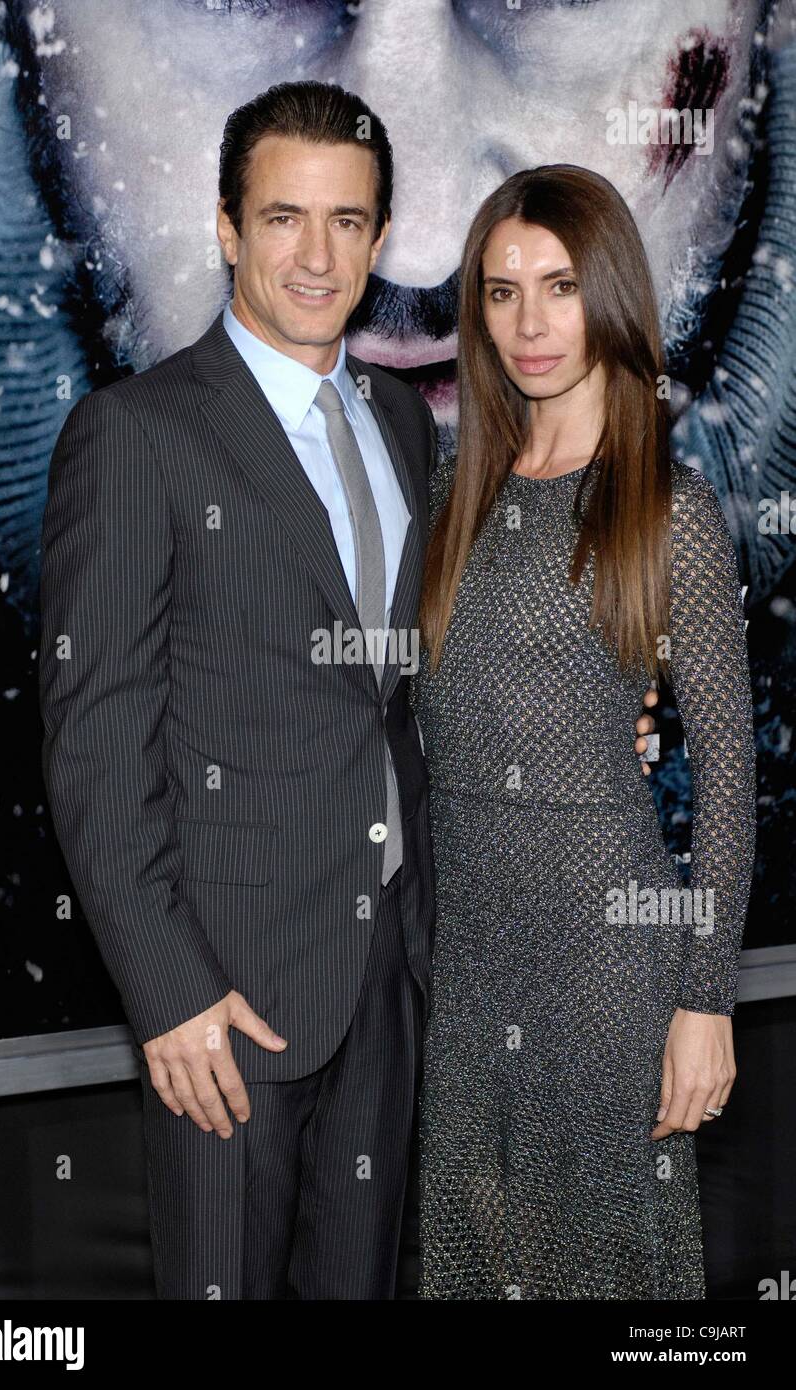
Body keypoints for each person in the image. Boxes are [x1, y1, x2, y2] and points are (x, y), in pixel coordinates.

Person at [39, 83, 657, 1300]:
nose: (315, 256)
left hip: (391, 975)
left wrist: (586, 722)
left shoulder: (400, 421)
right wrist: (168, 996)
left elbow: (420, 672)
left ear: (379, 240)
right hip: (225, 996)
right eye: (282, 219)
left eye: (346, 221)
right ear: (226, 228)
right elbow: (92, 743)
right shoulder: (138, 434)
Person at [412, 165, 757, 1300]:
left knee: (607, 1276)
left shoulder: (667, 510)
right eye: (500, 291)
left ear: (605, 290)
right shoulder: (456, 492)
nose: (527, 322)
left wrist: (703, 999)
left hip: (604, 960)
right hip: (464, 961)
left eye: (557, 286)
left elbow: (726, 778)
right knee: (473, 1261)